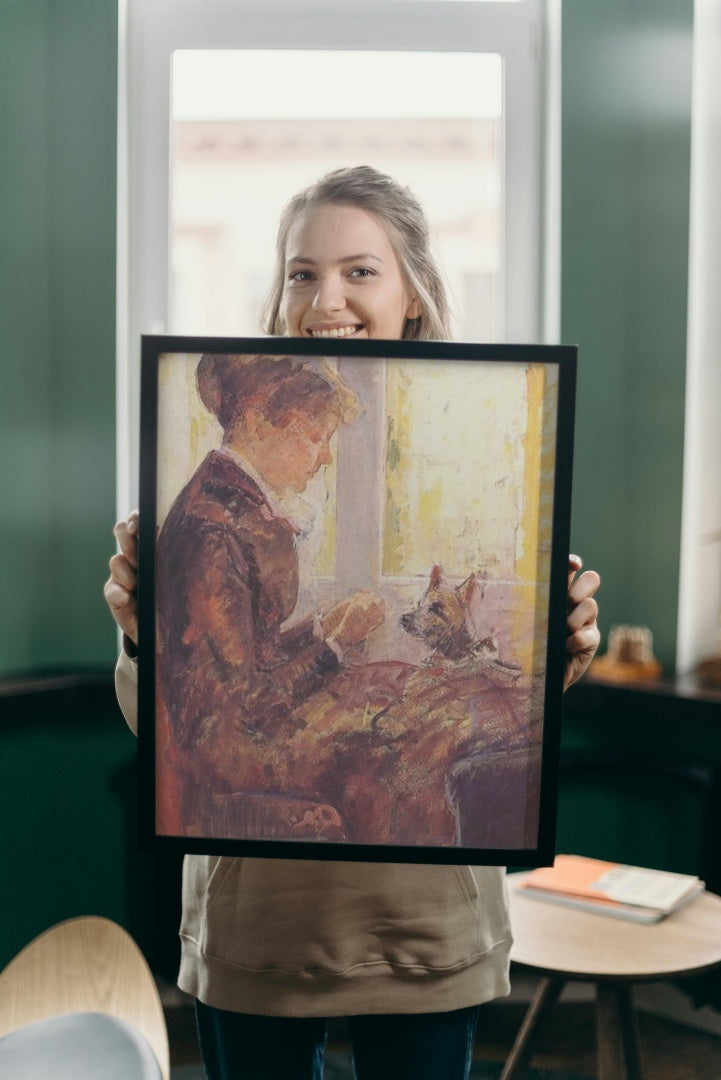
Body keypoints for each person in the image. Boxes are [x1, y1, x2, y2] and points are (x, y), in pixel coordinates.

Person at [105, 165, 601, 1080]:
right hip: (262, 929)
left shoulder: (493, 417)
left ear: (412, 291)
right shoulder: (207, 519)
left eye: (359, 271)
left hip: (424, 929)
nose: (324, 297)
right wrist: (142, 636)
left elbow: (535, 710)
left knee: (422, 705)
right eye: (301, 272)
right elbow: (182, 726)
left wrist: (558, 653)